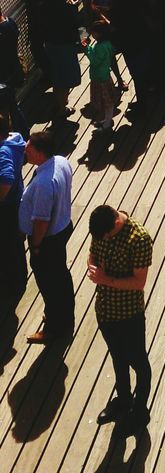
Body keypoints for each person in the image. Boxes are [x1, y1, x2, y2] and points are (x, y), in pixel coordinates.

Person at [87, 204, 153, 434]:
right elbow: (92, 254)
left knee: (138, 362)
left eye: (106, 235)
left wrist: (105, 279)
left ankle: (140, 410)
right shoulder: (102, 227)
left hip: (129, 314)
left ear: (116, 224)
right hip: (105, 311)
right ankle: (123, 400)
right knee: (117, 357)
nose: (103, 239)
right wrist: (93, 268)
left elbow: (139, 282)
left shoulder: (139, 239)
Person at [19, 130, 75, 344]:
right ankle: (66, 317)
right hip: (63, 227)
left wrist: (35, 246)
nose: (25, 147)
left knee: (49, 284)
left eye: (30, 146)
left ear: (40, 153)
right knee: (61, 276)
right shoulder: (61, 161)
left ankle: (54, 327)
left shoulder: (43, 184)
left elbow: (41, 221)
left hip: (47, 239)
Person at [0, 109, 27, 320]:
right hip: (16, 200)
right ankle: (19, 278)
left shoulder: (2, 152)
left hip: (7, 206)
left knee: (8, 244)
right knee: (15, 243)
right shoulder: (15, 139)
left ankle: (13, 285)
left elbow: (6, 178)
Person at [43, 0, 82, 119]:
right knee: (65, 77)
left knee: (57, 74)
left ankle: (59, 103)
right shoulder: (67, 9)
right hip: (65, 45)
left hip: (50, 45)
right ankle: (62, 107)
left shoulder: (44, 7)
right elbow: (75, 24)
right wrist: (74, 8)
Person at [82, 20, 117, 131]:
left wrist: (87, 48)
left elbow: (95, 61)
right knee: (108, 101)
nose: (92, 34)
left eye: (93, 32)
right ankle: (107, 119)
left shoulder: (99, 47)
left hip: (99, 78)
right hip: (105, 75)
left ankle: (106, 124)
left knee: (106, 102)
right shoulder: (108, 44)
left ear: (99, 34)